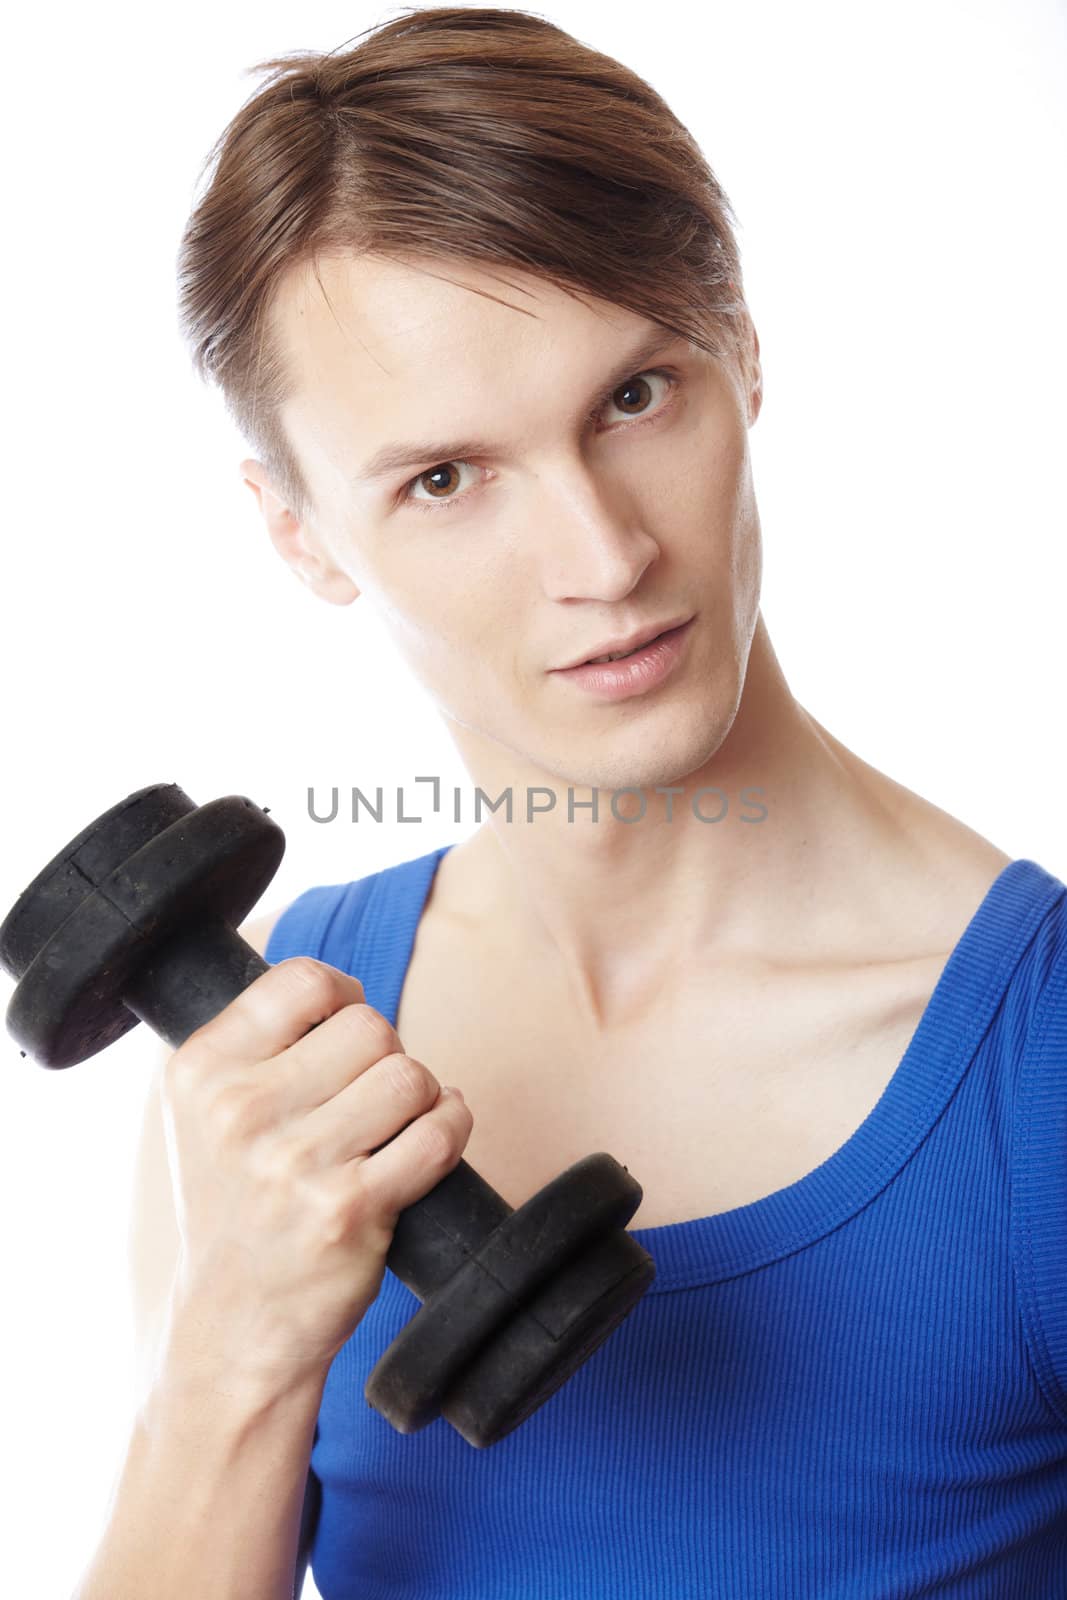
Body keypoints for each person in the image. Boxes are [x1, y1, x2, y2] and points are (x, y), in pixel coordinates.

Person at [77, 7, 1067, 1598]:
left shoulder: (1041, 1071)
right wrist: (237, 1356)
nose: (606, 562)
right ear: (301, 534)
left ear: (742, 345)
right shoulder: (272, 1062)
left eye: (634, 398)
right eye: (447, 479)